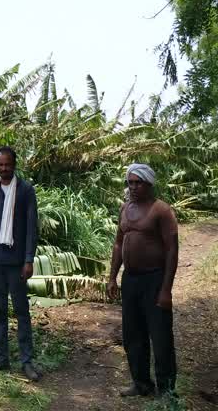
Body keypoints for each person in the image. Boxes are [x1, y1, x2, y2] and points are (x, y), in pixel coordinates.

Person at [107, 163, 178, 397]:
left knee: (160, 336)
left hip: (154, 279)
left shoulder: (161, 210)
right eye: (131, 182)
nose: (134, 187)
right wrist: (112, 277)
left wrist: (166, 289)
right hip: (131, 280)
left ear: (149, 184)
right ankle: (141, 383)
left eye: (139, 182)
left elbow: (171, 250)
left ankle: (166, 390)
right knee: (133, 335)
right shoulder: (125, 209)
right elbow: (118, 243)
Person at [0, 146, 40, 382]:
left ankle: (26, 361)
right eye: (0, 165)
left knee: (22, 312)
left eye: (8, 164)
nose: (4, 169)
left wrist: (28, 259)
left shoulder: (25, 191)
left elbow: (31, 229)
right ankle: (1, 358)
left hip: (16, 264)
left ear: (15, 164)